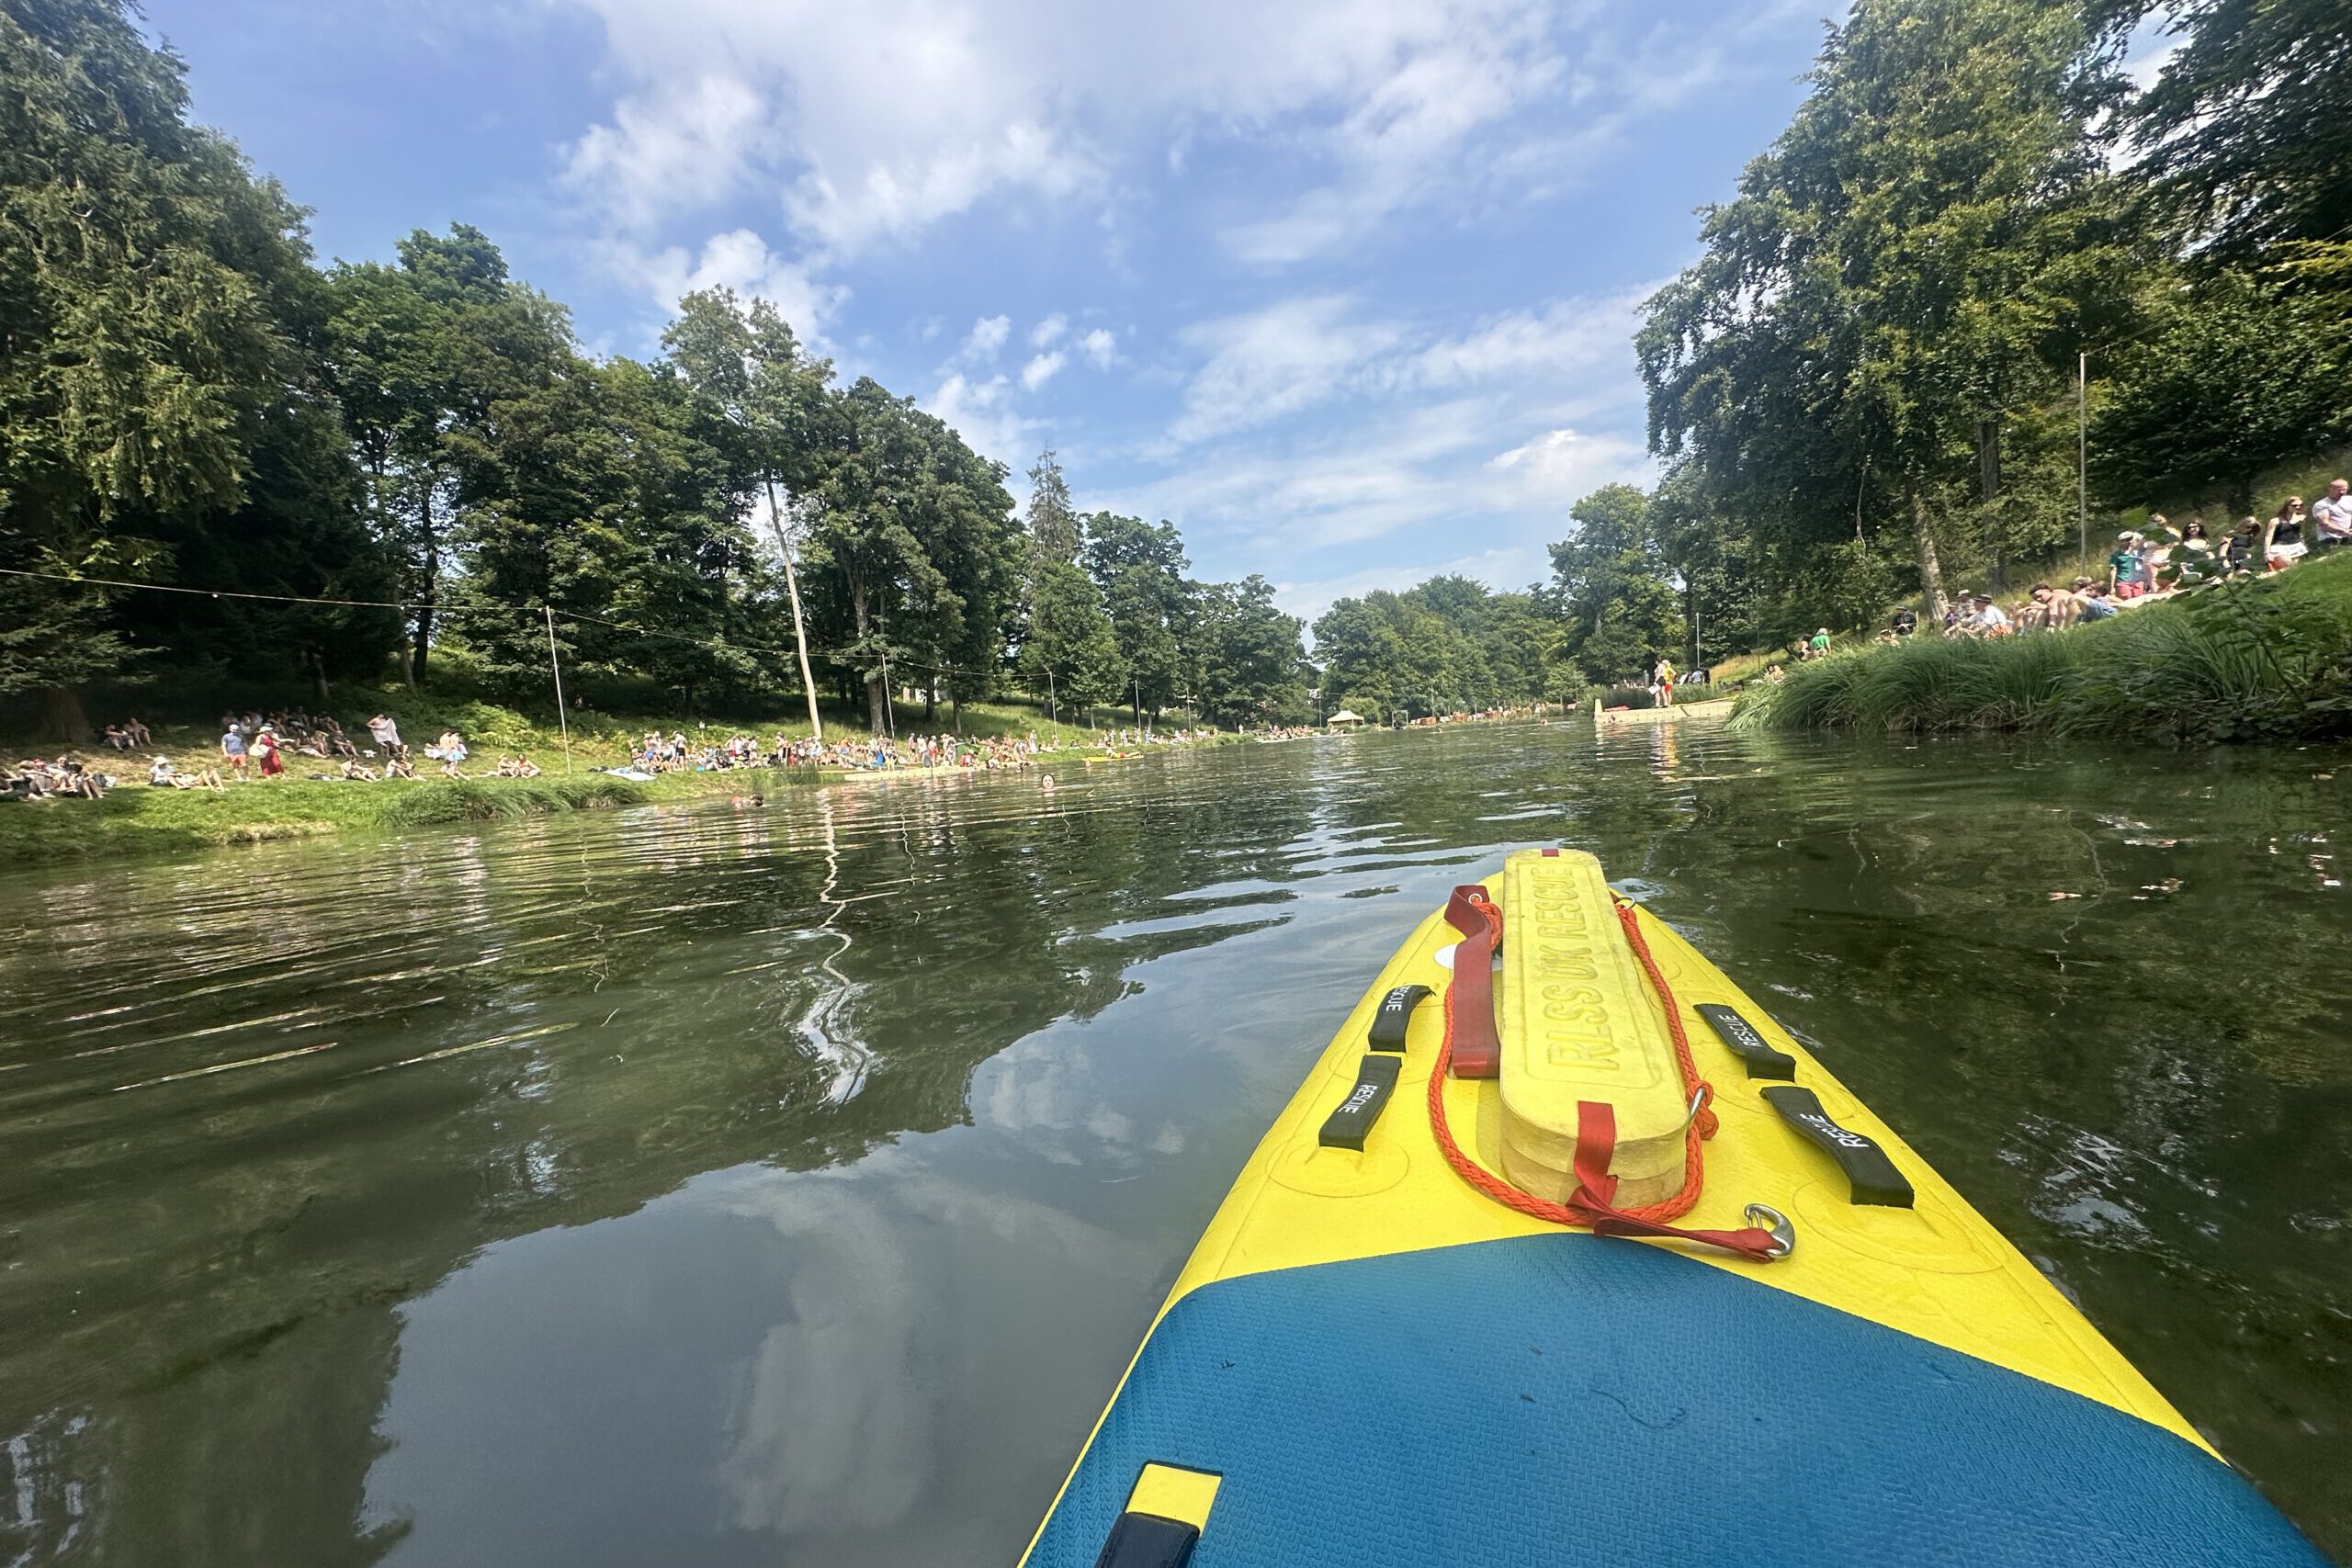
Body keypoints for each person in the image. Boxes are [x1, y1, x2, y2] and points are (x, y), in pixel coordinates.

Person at [2263, 496, 2306, 568]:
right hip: (2279, 547)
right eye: (2294, 506)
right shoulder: (2275, 521)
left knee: (2295, 567)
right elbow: (2268, 537)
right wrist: (2267, 553)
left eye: (2300, 505)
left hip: (2296, 545)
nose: (2298, 507)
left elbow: (2302, 532)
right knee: (2288, 564)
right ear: (2287, 506)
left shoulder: (2301, 518)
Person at [2309, 479, 2350, 551]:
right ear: (2331, 489)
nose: (2342, 492)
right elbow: (2325, 524)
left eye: (2344, 490)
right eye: (2339, 490)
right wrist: (2343, 530)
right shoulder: (2321, 505)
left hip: (2347, 536)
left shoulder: (2349, 500)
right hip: (2330, 538)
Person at [2108, 532, 2146, 598]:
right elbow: (2113, 570)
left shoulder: (2138, 552)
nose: (2129, 541)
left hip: (2138, 580)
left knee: (2139, 599)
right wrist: (2112, 586)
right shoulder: (2116, 555)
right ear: (2121, 542)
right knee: (2127, 598)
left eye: (2130, 539)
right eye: (2126, 540)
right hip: (2124, 580)